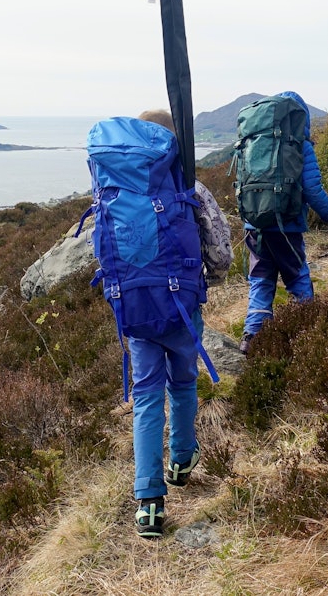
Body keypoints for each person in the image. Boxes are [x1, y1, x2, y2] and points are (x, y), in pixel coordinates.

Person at [121, 108, 218, 538]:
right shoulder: (189, 187)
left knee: (145, 398)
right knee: (183, 384)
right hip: (182, 307)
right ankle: (181, 461)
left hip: (138, 315)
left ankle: (150, 506)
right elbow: (221, 250)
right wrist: (201, 282)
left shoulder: (117, 192)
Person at [239, 92, 328, 355]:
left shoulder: (253, 143)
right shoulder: (299, 145)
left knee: (261, 280)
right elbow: (312, 188)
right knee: (297, 277)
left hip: (255, 228)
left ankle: (252, 336)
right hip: (287, 227)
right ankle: (309, 331)